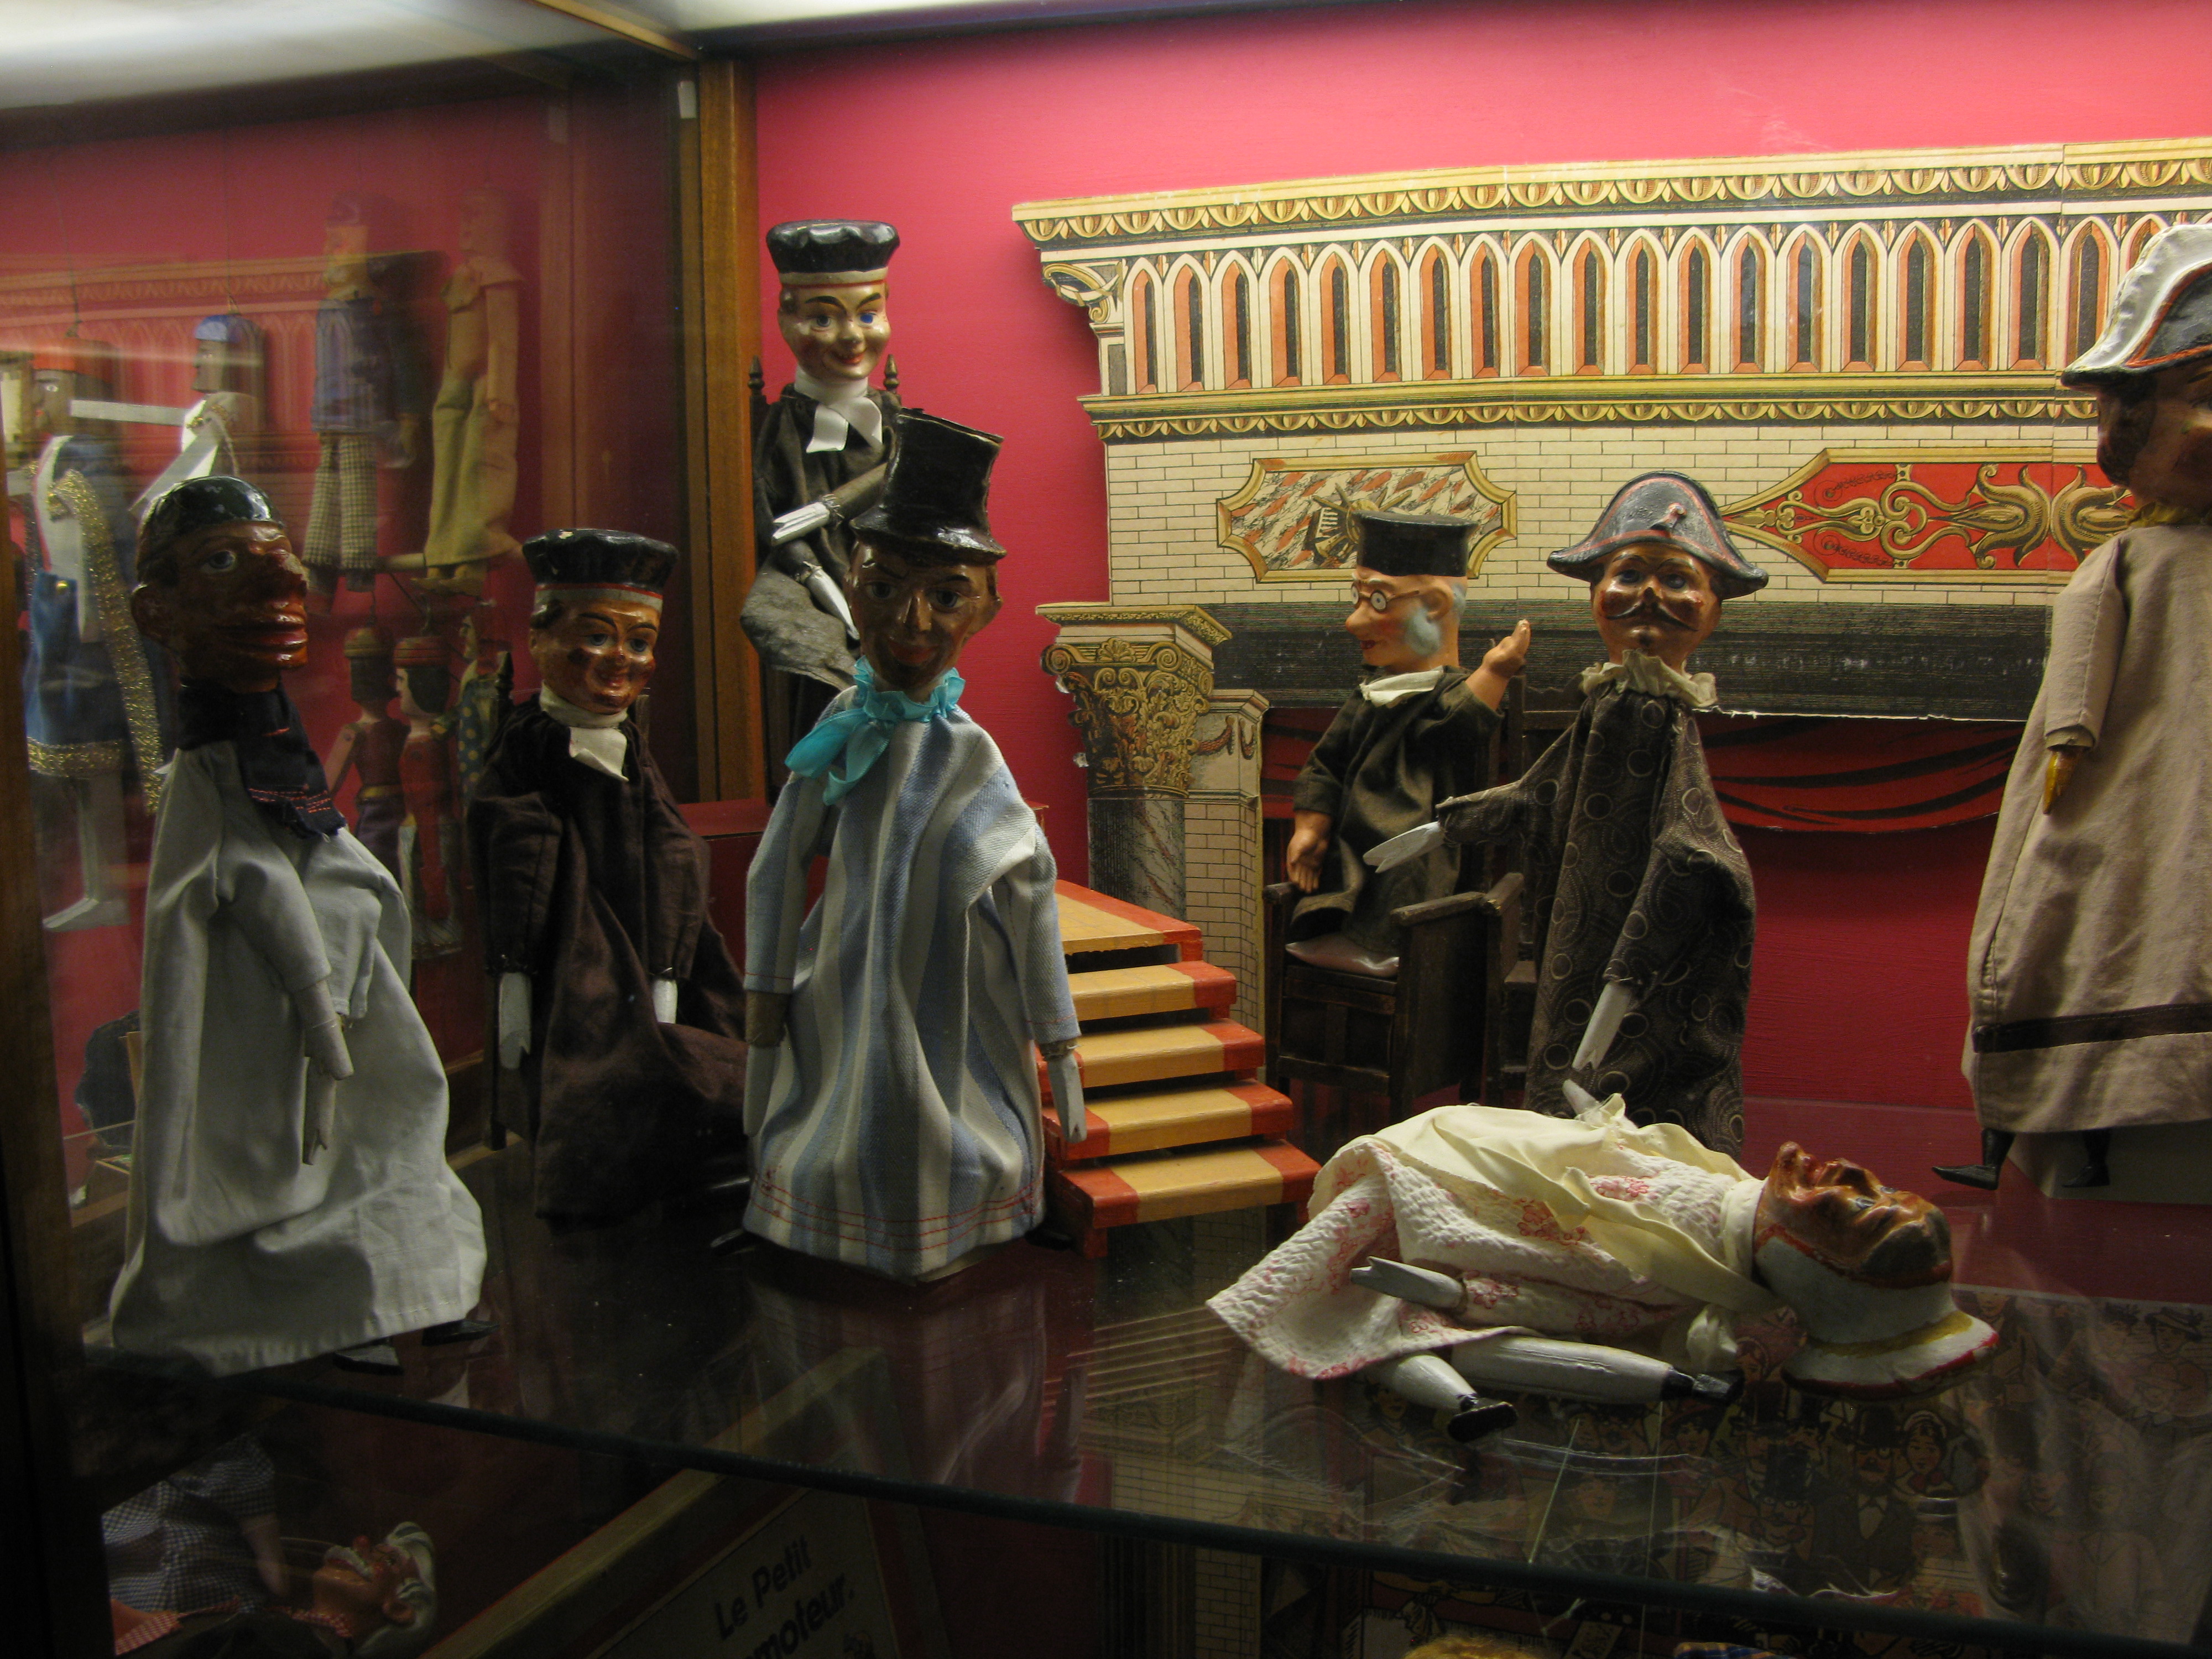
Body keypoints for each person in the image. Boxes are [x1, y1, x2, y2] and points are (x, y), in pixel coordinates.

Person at [107, 477, 484, 1376]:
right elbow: (236, 877)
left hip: (343, 985)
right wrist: (316, 994)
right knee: (279, 1135)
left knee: (394, 1113)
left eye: (281, 561)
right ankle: (324, 1301)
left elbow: (307, 852)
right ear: (158, 612)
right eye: (223, 564)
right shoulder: (208, 775)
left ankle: (414, 1283)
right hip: (279, 1005)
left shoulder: (271, 749)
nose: (282, 585)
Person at [743, 411, 1084, 1282]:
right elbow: (777, 865)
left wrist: (1058, 1046)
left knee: (949, 1106)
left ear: (988, 608)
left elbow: (1030, 893)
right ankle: (836, 1207)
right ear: (850, 584)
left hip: (956, 992)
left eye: (947, 596)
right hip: (844, 976)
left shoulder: (970, 753)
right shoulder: (841, 727)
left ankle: (961, 1203)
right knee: (841, 1104)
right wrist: (765, 1004)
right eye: (885, 587)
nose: (911, 620)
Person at [1210, 1094, 1995, 1433]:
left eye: (1857, 1210)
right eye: (1882, 1186)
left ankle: (1411, 1351)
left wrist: (1466, 1286)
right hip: (1486, 1152)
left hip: (1441, 1214)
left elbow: (1543, 1287)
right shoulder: (1725, 1190)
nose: (1853, 1172)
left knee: (1395, 1310)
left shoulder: (1659, 1278)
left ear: (1815, 1268)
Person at [1939, 223, 2212, 1192]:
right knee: (2115, 913)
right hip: (2135, 785)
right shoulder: (2133, 563)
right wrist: (2071, 735)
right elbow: (2085, 659)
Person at [1381, 472, 1767, 1152]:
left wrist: (1633, 965)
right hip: (1580, 927)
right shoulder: (1610, 703)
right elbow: (1543, 790)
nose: (1649, 595)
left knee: (1627, 1091)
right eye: (1628, 574)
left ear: (1712, 607)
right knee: (1567, 1063)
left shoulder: (1660, 714)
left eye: (1677, 580)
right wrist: (1448, 824)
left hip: (1638, 951)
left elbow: (1694, 846)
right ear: (1595, 594)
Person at [467, 528, 746, 1226]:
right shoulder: (529, 746)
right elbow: (514, 852)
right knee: (587, 1057)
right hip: (572, 947)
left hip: (651, 939)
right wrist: (512, 973)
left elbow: (672, 846)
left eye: (640, 642)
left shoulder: (629, 745)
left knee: (715, 1047)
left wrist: (668, 966)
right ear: (540, 638)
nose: (621, 659)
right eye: (596, 636)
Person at [1282, 507, 1530, 976]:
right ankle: (1341, 932)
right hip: (1351, 834)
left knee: (1408, 866)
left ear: (1435, 605)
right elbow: (1326, 762)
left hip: (1414, 834)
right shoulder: (1370, 694)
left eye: (1378, 601)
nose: (1354, 622)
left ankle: (1387, 944)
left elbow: (1457, 727)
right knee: (1339, 865)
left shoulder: (1444, 693)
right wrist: (1311, 826)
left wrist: (1494, 672)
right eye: (1358, 598)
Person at [740, 219, 901, 776]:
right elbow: (770, 516)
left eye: (868, 315)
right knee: (804, 644)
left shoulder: (892, 420)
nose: (853, 338)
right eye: (824, 319)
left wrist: (838, 508)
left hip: (886, 571)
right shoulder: (784, 424)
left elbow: (905, 482)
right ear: (787, 320)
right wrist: (820, 582)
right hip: (805, 574)